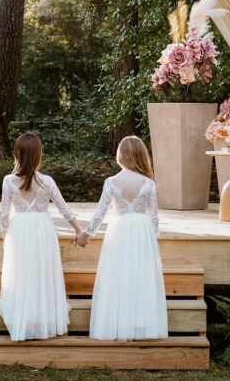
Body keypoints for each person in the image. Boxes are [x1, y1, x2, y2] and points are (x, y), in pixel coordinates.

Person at [77, 135, 168, 341]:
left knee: (117, 275)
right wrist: (153, 240)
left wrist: (87, 234)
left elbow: (100, 214)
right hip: (141, 231)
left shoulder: (111, 182)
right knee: (140, 277)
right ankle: (140, 323)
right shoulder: (148, 183)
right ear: (141, 155)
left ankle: (116, 322)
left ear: (121, 155)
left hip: (118, 230)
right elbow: (153, 218)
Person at [0, 132, 85, 341]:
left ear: (17, 154)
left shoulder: (8, 181)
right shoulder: (47, 181)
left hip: (18, 230)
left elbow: (3, 217)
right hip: (42, 230)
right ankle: (42, 318)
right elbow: (65, 210)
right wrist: (78, 230)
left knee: (21, 273)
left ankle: (24, 318)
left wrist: (6, 239)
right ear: (38, 155)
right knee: (42, 272)